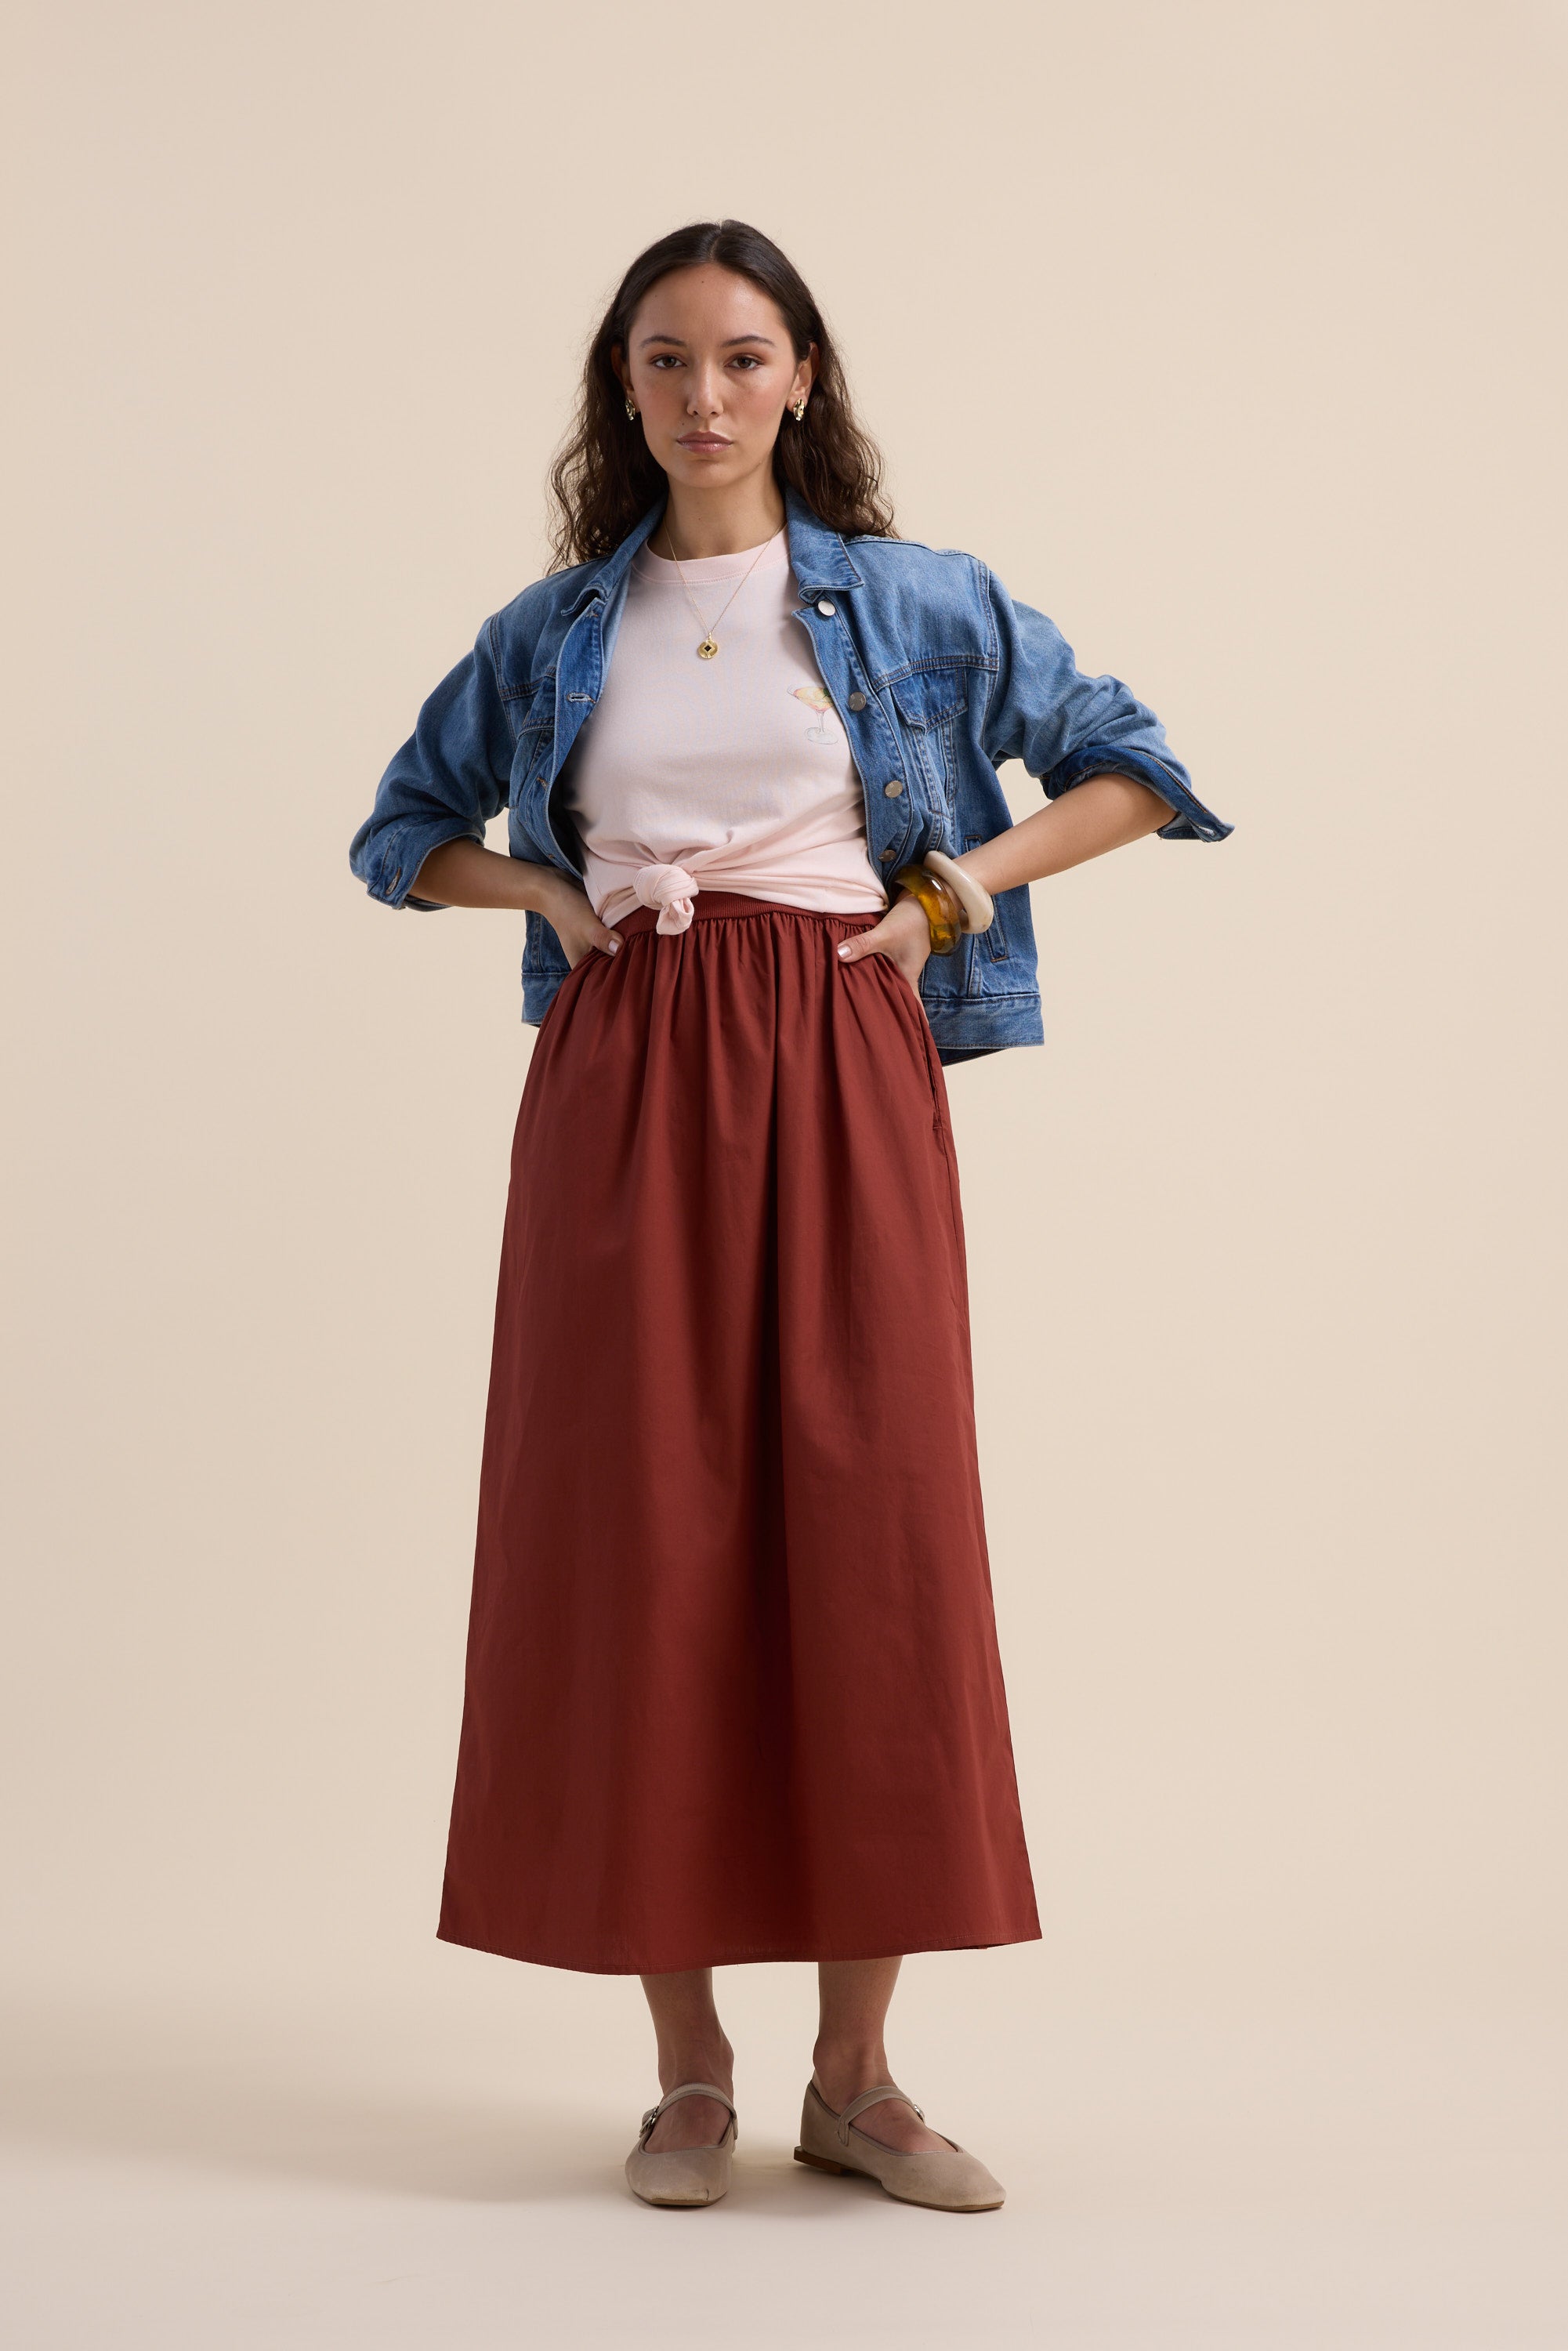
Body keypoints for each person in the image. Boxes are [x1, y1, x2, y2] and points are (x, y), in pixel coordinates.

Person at [349, 218, 1233, 2215]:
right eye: (663, 361)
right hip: (627, 1072)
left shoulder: (914, 598)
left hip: (842, 1054)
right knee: (639, 1531)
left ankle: (857, 2078)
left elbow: (1136, 773)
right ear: (624, 389)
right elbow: (398, 833)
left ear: (803, 378)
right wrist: (554, 900)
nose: (702, 394)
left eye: (742, 357)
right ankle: (683, 2078)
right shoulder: (558, 626)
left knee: (873, 1524)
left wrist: (943, 900)